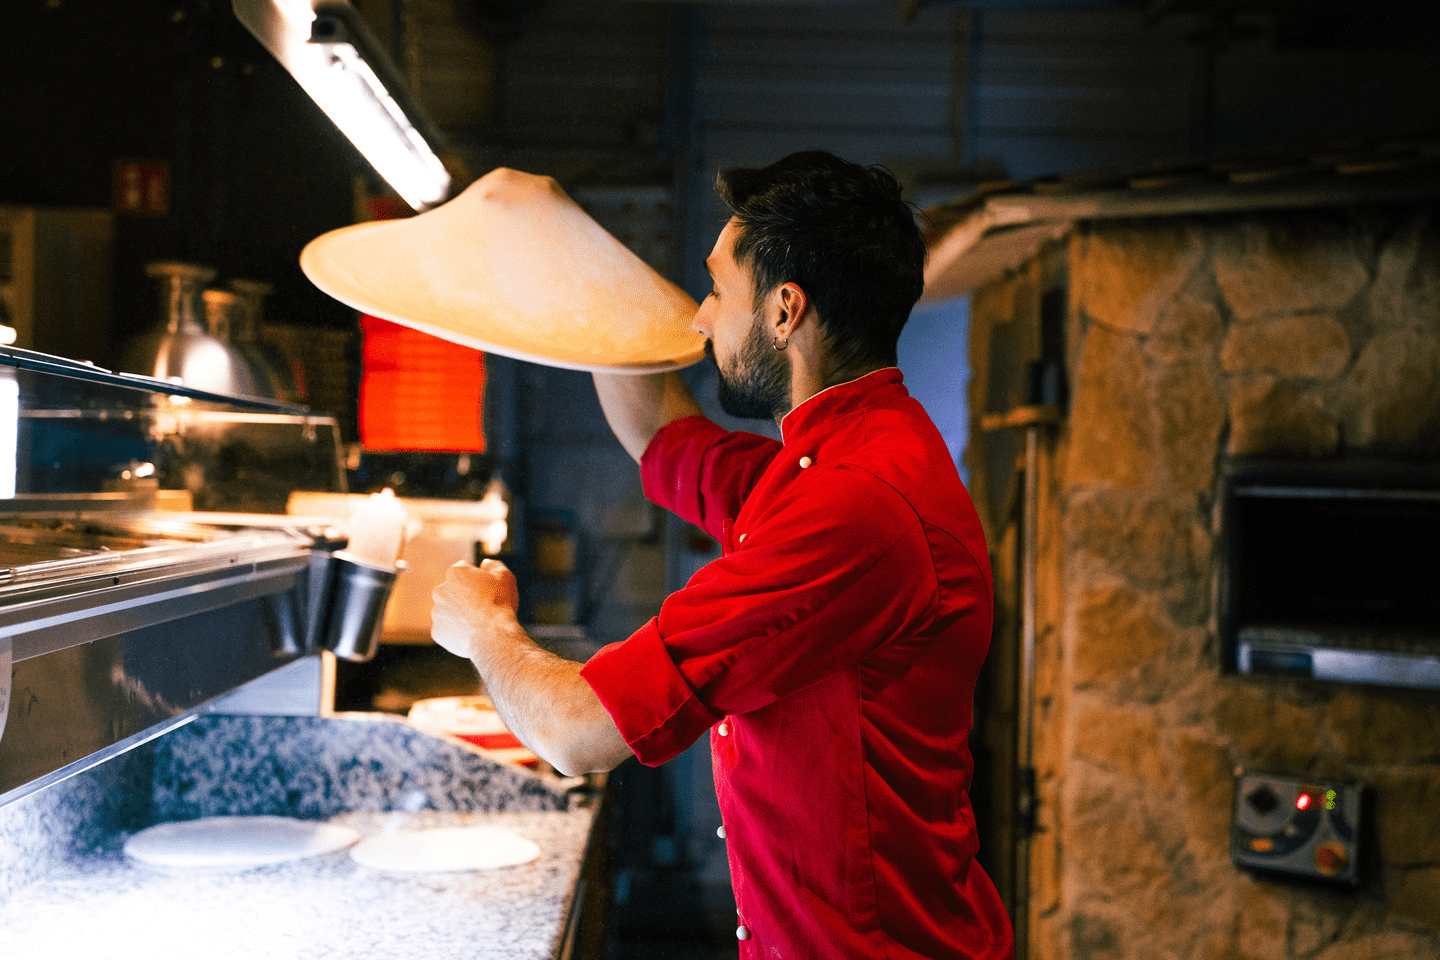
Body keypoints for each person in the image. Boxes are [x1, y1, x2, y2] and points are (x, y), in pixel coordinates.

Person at [431, 150, 1014, 959]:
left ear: (784, 311)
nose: (701, 319)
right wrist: (581, 258)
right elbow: (659, 435)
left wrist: (484, 627)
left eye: (715, 290)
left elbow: (576, 732)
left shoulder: (855, 509)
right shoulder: (837, 459)